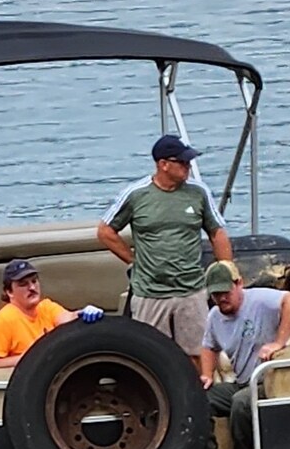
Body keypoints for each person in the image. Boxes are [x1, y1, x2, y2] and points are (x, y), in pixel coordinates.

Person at [96, 134, 235, 385]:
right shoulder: (136, 195)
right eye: (182, 162)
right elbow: (105, 231)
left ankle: (202, 400)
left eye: (188, 162)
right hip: (151, 292)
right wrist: (133, 260)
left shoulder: (198, 192)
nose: (187, 167)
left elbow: (217, 232)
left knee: (198, 352)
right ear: (163, 164)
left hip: (190, 289)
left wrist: (228, 273)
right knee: (151, 357)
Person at [200, 259, 290, 449]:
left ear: (238, 284)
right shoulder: (214, 316)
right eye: (215, 294)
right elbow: (209, 347)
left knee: (241, 403)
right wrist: (207, 375)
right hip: (242, 381)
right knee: (200, 398)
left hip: (270, 380)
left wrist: (279, 342)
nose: (221, 299)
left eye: (225, 292)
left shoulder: (260, 299)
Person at [0, 259, 77, 368]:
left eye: (34, 281)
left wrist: (82, 314)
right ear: (9, 292)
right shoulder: (3, 320)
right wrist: (28, 358)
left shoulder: (46, 307)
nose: (32, 288)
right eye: (23, 284)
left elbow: (68, 318)